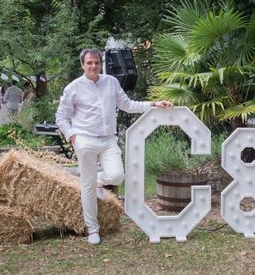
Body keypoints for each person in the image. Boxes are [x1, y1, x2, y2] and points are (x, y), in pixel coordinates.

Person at [56, 48, 172, 245]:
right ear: (82, 65)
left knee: (117, 176)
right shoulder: (73, 88)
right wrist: (73, 137)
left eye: (96, 62)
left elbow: (127, 105)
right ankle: (93, 229)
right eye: (89, 63)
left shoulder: (111, 82)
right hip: (85, 140)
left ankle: (97, 181)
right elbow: (61, 117)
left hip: (109, 140)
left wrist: (153, 104)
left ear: (101, 64)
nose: (93, 66)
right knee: (87, 187)